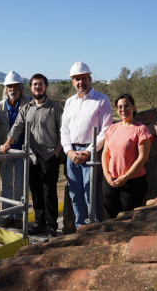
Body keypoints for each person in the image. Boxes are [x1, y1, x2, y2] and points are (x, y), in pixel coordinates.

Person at [0, 73, 63, 237]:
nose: (37, 87)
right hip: (32, 156)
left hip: (49, 156)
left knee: (49, 191)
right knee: (35, 191)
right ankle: (40, 223)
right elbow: (17, 127)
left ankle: (51, 226)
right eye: (34, 84)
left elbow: (63, 130)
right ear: (31, 88)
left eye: (40, 84)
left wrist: (57, 151)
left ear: (45, 87)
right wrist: (8, 142)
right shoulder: (26, 108)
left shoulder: (54, 108)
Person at [60, 61, 113, 229]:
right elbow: (64, 129)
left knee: (91, 194)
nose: (80, 82)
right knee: (75, 194)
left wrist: (88, 152)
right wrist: (69, 151)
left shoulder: (101, 100)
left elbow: (106, 130)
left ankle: (94, 228)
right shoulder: (69, 102)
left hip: (91, 153)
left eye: (83, 78)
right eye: (76, 79)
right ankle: (80, 227)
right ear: (72, 82)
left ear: (90, 79)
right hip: (72, 154)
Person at [0, 71, 31, 228]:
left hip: (23, 151)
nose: (13, 89)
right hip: (4, 151)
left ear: (21, 87)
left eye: (15, 86)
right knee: (7, 184)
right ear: (6, 88)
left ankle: (18, 216)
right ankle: (7, 215)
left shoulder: (29, 103)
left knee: (21, 184)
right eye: (10, 86)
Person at [101, 93, 153, 219]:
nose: (123, 110)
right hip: (111, 181)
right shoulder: (112, 128)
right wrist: (107, 175)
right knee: (110, 218)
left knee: (127, 219)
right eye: (119, 107)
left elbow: (143, 158)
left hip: (132, 182)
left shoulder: (141, 130)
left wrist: (125, 177)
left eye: (126, 106)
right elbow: (105, 153)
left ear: (134, 107)